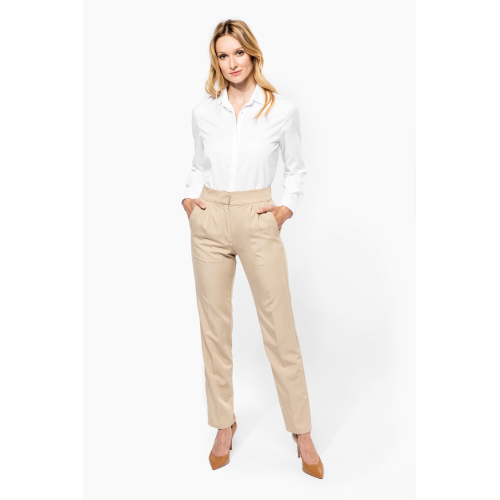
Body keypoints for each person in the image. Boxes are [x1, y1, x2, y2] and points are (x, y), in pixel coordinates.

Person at [181, 19, 323, 479]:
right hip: (210, 218)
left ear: (252, 54)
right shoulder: (205, 112)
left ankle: (302, 432)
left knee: (280, 329)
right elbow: (198, 164)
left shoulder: (280, 109)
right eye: (223, 55)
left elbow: (296, 168)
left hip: (257, 215)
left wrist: (284, 209)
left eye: (238, 52)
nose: (232, 63)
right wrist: (189, 200)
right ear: (216, 61)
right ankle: (223, 423)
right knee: (214, 329)